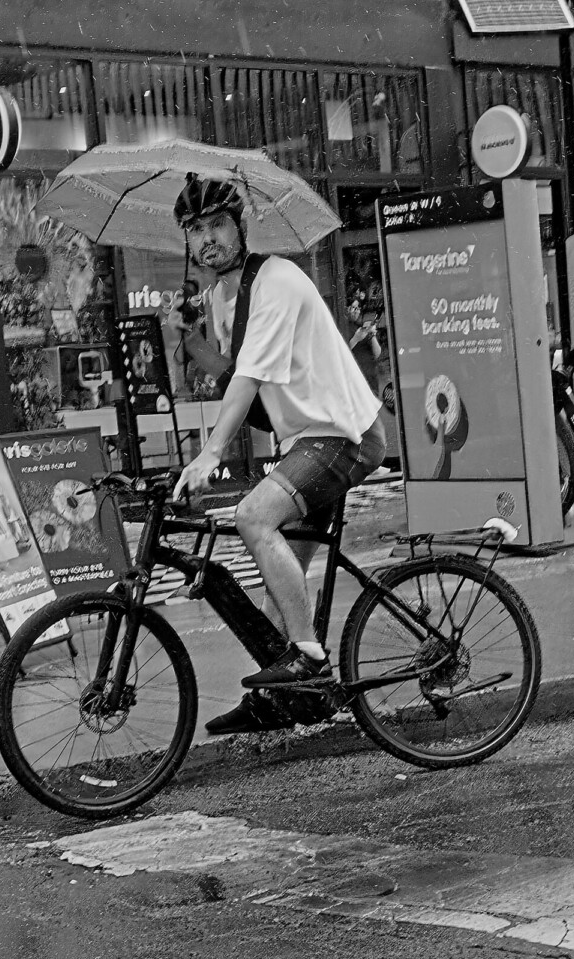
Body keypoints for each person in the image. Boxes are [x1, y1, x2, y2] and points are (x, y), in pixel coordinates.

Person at [168, 175, 386, 735]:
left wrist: (209, 455)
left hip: (342, 435)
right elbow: (233, 378)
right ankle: (282, 698)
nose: (207, 240)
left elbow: (247, 377)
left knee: (252, 516)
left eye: (217, 224)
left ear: (241, 226)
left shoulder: (278, 281)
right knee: (277, 576)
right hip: (305, 441)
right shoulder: (222, 297)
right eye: (195, 231)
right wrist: (191, 345)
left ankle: (308, 658)